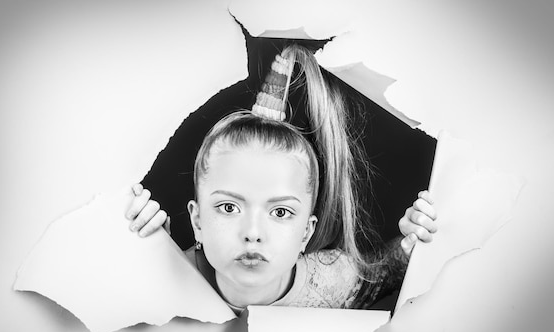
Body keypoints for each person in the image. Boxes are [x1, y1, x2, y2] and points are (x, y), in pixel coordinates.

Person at [125, 44, 437, 312]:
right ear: (197, 221)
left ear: (306, 232)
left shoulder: (330, 282)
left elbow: (386, 272)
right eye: (229, 207)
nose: (253, 233)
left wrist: (415, 240)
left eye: (280, 212)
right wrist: (146, 252)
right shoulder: (169, 274)